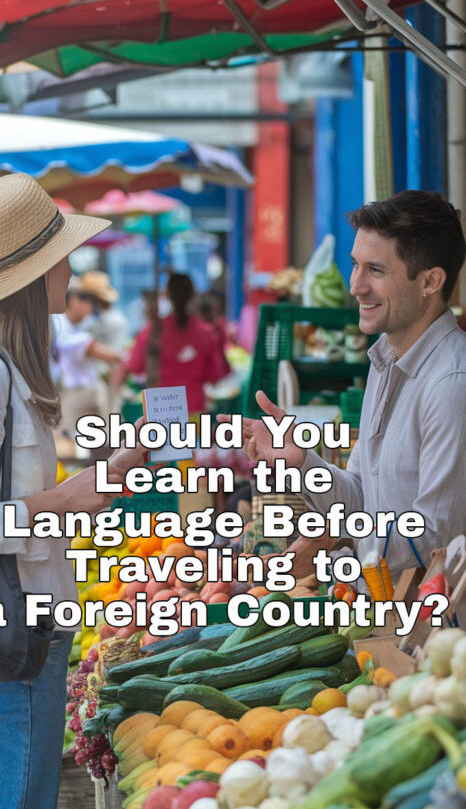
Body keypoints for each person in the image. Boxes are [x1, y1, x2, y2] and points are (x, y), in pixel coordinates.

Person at [0, 173, 146, 809]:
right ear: (34, 273)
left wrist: (98, 480)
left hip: (32, 630)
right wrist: (51, 502)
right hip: (12, 636)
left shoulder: (6, 370)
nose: (72, 269)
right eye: (63, 255)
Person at [221, 190, 466, 582]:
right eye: (355, 265)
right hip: (381, 613)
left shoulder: (452, 384)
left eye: (376, 270)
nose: (355, 286)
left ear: (430, 281)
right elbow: (362, 496)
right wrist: (302, 462)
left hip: (435, 631)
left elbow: (436, 535)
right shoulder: (384, 362)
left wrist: (334, 545)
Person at [119, 272, 230, 413]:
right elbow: (217, 375)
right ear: (192, 295)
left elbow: (136, 366)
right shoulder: (207, 333)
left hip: (159, 411)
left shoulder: (152, 331)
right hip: (194, 409)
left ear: (168, 295)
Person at [54, 276, 124, 440]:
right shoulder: (60, 325)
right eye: (89, 300)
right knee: (62, 438)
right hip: (73, 391)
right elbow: (94, 349)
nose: (93, 307)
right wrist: (125, 357)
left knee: (105, 438)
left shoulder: (85, 325)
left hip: (89, 388)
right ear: (73, 299)